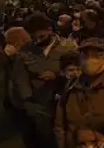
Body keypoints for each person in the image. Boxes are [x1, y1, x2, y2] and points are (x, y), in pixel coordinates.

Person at [13, 12, 73, 148]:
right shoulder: (25, 50)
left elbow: (76, 72)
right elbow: (20, 77)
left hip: (64, 100)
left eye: (41, 36)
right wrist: (28, 101)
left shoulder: (68, 47)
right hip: (38, 104)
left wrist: (58, 75)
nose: (38, 41)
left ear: (50, 30)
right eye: (34, 38)